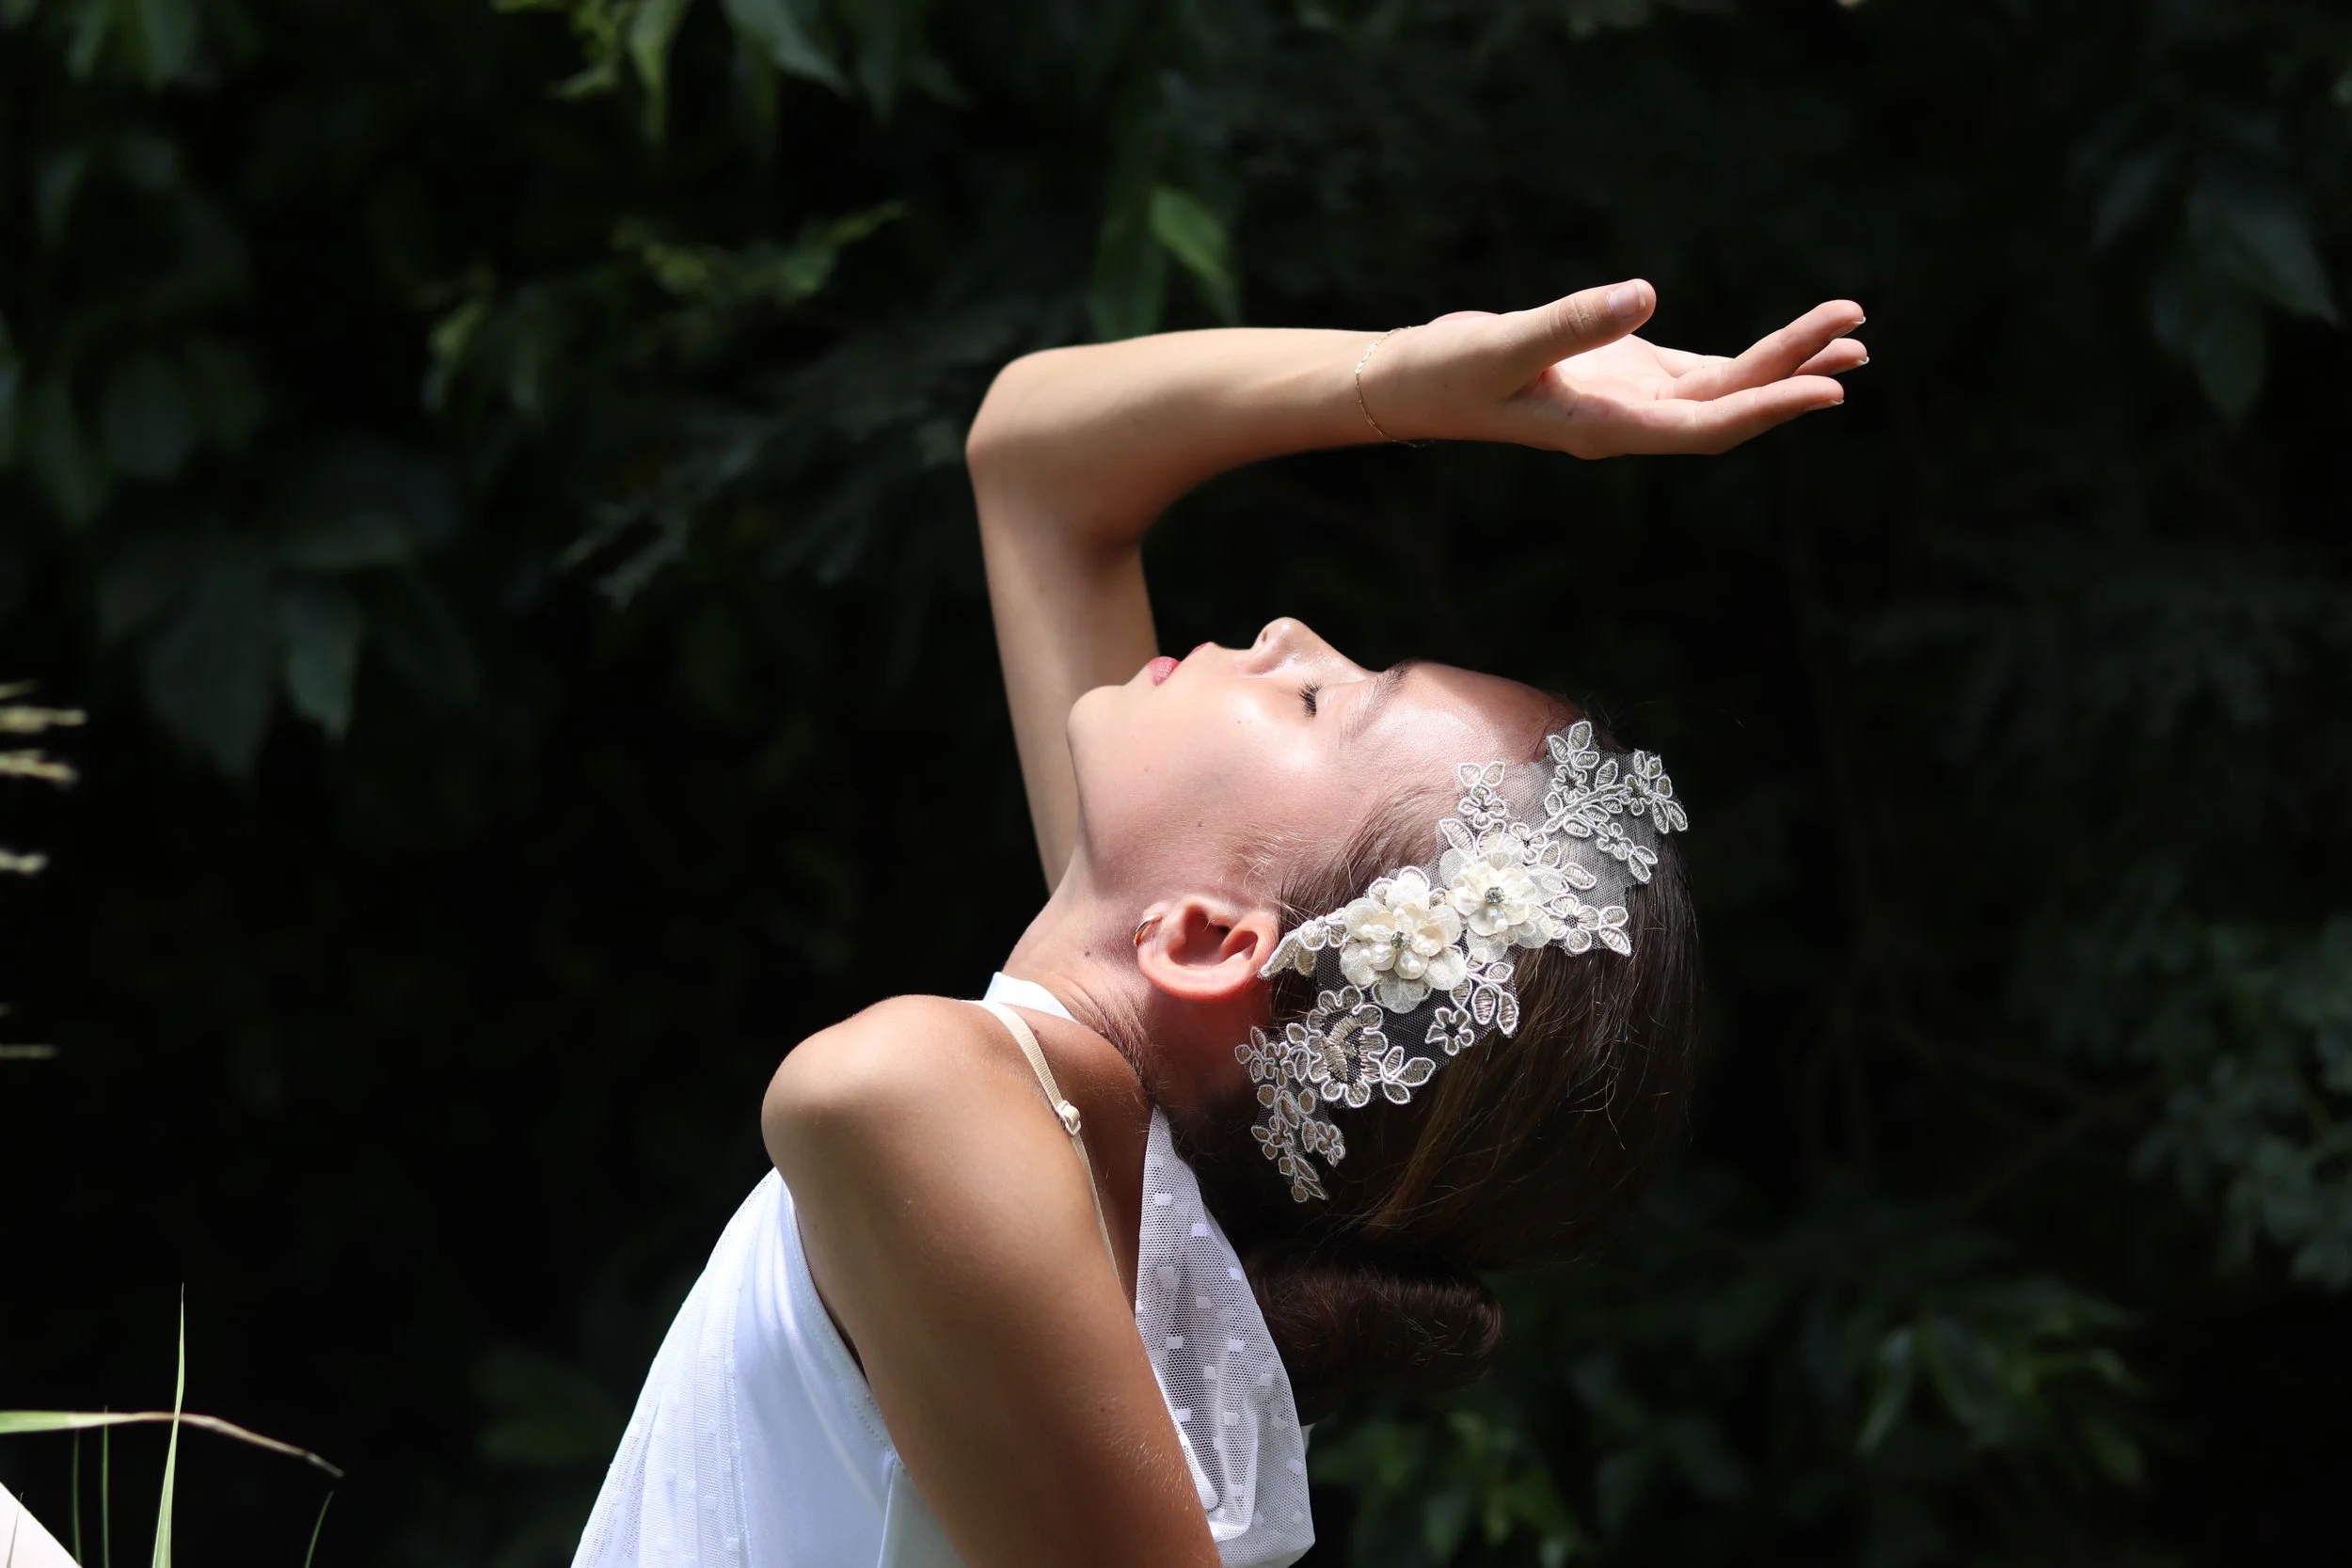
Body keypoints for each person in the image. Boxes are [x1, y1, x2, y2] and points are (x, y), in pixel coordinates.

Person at [571, 278, 1867, 1568]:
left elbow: (854, 1090)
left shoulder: (964, 1111)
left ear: (1204, 941)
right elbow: (1035, 460)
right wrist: (1405, 379)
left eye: (1319, 702)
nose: (1288, 634)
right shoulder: (1110, 1183)